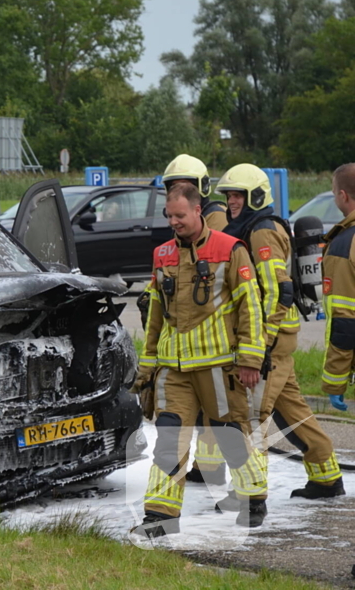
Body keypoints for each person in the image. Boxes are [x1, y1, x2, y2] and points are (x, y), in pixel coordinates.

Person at [131, 182, 268, 538]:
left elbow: (250, 306)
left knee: (231, 436)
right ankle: (159, 517)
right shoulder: (162, 255)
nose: (173, 222)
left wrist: (251, 360)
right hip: (174, 372)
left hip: (219, 369)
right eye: (169, 216)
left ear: (197, 211)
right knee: (169, 439)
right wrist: (147, 368)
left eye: (180, 215)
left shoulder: (230, 249)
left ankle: (253, 499)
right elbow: (155, 316)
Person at [214, 164, 343, 504]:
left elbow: (277, 291)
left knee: (250, 415)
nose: (232, 202)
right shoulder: (251, 227)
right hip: (276, 338)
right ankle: (326, 476)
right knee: (294, 412)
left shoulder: (261, 231)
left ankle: (249, 493)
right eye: (228, 196)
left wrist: (261, 345)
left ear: (255, 196)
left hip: (269, 340)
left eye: (238, 195)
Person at [156, 154, 230, 483]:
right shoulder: (178, 228)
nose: (177, 190)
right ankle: (163, 511)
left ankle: (234, 484)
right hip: (182, 353)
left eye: (182, 186)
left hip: (215, 348)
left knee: (226, 419)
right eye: (171, 187)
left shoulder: (218, 227)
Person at [322, 163, 355, 414]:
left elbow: (344, 319)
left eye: (334, 193)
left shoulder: (344, 243)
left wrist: (335, 381)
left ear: (343, 196)